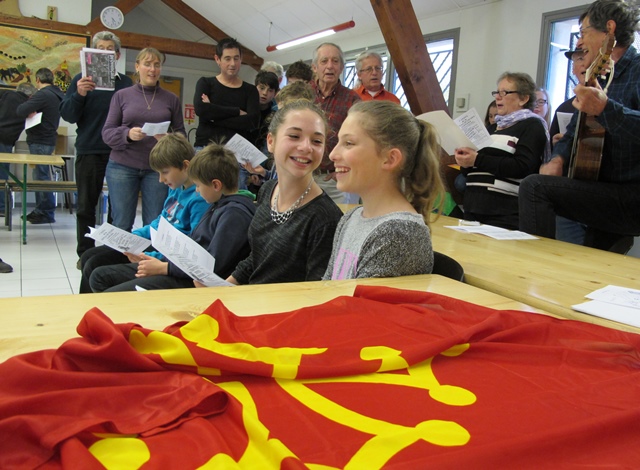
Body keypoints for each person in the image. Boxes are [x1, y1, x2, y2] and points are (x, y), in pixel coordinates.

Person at [519, 0, 640, 253]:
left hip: (632, 192)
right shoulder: (601, 77)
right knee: (596, 268)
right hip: (603, 188)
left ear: (609, 29)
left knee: (534, 187)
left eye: (584, 32)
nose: (581, 42)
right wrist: (559, 159)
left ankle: (531, 267)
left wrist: (606, 109)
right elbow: (576, 128)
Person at [89, 143, 256, 292]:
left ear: (216, 185)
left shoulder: (233, 214)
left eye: (198, 186)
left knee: (108, 287)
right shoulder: (218, 203)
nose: (196, 190)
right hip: (178, 268)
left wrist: (164, 267)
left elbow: (210, 266)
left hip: (188, 279)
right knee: (99, 275)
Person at [226, 100, 343, 286]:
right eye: (295, 136)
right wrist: (220, 287)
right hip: (249, 299)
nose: (306, 147)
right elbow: (257, 258)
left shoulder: (326, 219)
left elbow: (316, 295)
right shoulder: (268, 190)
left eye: (317, 141)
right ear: (270, 141)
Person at [323, 101, 445, 280]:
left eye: (348, 143)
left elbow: (360, 307)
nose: (333, 154)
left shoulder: (398, 233)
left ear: (390, 158)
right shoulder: (352, 217)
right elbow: (327, 288)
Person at [79, 133, 209, 293]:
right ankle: (83, 310)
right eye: (159, 173)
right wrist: (134, 236)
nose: (161, 179)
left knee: (96, 267)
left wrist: (152, 256)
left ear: (186, 166)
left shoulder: (200, 198)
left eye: (165, 172)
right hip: (157, 244)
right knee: (89, 256)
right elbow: (160, 222)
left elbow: (193, 247)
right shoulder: (176, 187)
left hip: (167, 254)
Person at [60, 31, 133, 265]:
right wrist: (80, 93)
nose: (104, 52)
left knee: (118, 207)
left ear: (117, 55)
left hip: (119, 152)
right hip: (89, 149)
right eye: (99, 48)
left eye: (109, 49)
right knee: (85, 206)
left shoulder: (125, 83)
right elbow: (68, 115)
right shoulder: (81, 79)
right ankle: (85, 253)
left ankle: (110, 253)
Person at [102, 47, 185, 232]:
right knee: (121, 223)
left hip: (158, 170)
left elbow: (181, 135)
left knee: (154, 223)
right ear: (137, 66)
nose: (152, 69)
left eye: (157, 65)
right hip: (122, 166)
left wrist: (168, 139)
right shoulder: (121, 96)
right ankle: (120, 260)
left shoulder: (171, 99)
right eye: (147, 64)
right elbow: (107, 133)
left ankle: (149, 260)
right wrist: (128, 135)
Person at [455, 72, 549, 230]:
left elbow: (522, 166)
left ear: (523, 98)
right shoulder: (490, 128)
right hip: (473, 207)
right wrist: (465, 162)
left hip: (504, 212)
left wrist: (477, 160)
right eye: (497, 92)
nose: (498, 97)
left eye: (504, 93)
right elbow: (471, 171)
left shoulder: (532, 125)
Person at [310, 43, 361, 204]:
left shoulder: (352, 99)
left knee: (339, 224)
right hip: (302, 174)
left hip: (333, 179)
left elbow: (359, 139)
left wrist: (344, 168)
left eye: (335, 61)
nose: (330, 66)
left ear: (342, 67)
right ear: (314, 67)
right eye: (324, 61)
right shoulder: (303, 94)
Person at [549, 48, 589, 245]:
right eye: (575, 61)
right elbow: (551, 146)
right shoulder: (565, 107)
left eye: (582, 57)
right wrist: (559, 145)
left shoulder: (611, 99)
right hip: (570, 186)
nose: (578, 66)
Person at [15, 68, 65, 224]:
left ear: (37, 80)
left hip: (39, 140)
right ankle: (41, 210)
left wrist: (30, 108)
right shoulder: (57, 94)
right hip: (48, 138)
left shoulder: (43, 94)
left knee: (41, 178)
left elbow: (21, 110)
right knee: (42, 176)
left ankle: (45, 212)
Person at [193, 38, 260, 150]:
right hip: (206, 147)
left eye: (236, 58)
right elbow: (201, 109)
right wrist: (236, 111)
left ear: (241, 59)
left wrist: (213, 116)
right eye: (227, 59)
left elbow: (252, 122)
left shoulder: (250, 90)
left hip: (237, 152)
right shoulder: (205, 83)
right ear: (217, 59)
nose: (232, 64)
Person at [0, 82, 36, 214]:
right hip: (6, 141)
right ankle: (2, 207)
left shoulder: (7, 94)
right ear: (31, 95)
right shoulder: (27, 106)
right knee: (3, 175)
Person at [549, 49, 587, 145]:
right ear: (573, 69)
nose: (585, 64)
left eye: (590, 58)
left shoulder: (608, 102)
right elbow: (550, 146)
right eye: (580, 59)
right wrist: (557, 146)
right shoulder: (564, 108)